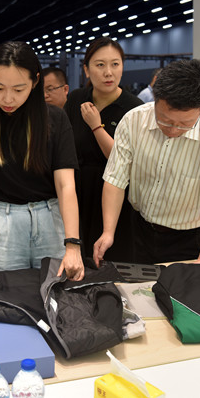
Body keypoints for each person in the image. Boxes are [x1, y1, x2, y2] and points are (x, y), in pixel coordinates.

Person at [93, 59, 200, 266]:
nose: (173, 130)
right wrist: (108, 232)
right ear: (155, 99)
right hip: (141, 228)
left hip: (190, 237)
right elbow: (115, 179)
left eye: (185, 124)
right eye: (164, 120)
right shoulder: (133, 121)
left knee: (183, 285)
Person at [0, 41, 84, 281]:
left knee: (56, 292)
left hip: (51, 219)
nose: (7, 98)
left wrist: (73, 244)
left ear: (35, 82)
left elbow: (66, 185)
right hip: (3, 225)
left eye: (18, 89)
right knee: (8, 293)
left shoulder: (55, 119)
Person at [64, 37, 143, 263]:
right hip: (78, 191)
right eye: (100, 65)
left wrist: (96, 126)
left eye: (115, 64)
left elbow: (122, 161)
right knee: (79, 258)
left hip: (115, 195)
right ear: (86, 70)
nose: (108, 72)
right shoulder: (76, 99)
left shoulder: (135, 109)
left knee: (112, 259)